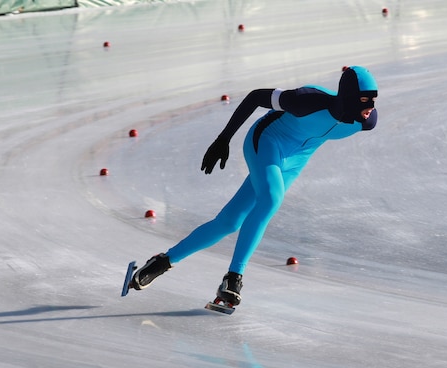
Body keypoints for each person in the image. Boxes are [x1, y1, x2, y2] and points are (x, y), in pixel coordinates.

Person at [128, 66, 378, 306]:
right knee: (270, 199)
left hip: (295, 160)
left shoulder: (366, 121)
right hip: (267, 141)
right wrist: (223, 138)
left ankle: (163, 261)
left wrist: (365, 107)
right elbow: (256, 97)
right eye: (365, 100)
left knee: (229, 222)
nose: (371, 108)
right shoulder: (307, 101)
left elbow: (356, 117)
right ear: (348, 98)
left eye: (373, 100)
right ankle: (233, 278)